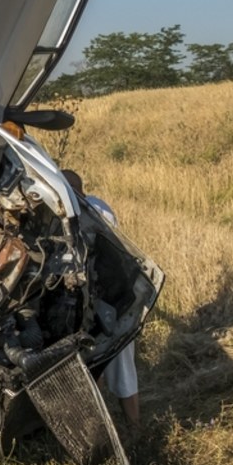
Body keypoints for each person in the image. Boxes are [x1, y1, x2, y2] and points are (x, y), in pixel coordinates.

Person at [62, 169, 139, 428]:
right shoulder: (90, 209)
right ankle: (112, 427)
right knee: (98, 366)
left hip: (112, 302)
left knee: (117, 365)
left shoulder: (93, 210)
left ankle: (130, 428)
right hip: (101, 303)